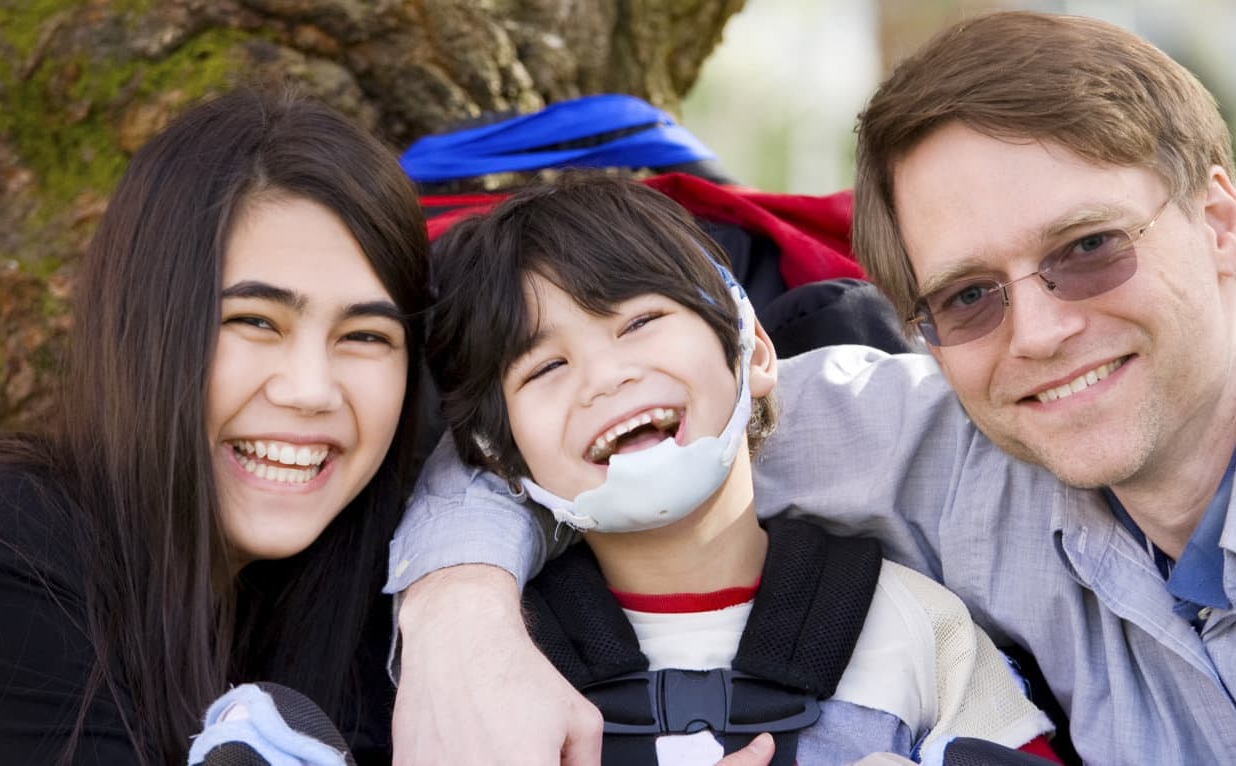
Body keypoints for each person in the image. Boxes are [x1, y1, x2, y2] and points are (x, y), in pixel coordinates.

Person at [383, 11, 1236, 766]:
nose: (1042, 331)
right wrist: (459, 621)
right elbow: (592, 439)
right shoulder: (949, 441)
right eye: (968, 297)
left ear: (1217, 217)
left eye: (1088, 248)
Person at [0, 87, 433, 765]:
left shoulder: (339, 574)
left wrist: (470, 597)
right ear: (143, 331)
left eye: (367, 335)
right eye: (253, 321)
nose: (311, 390)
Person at [421, 174, 1055, 765]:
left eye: (640, 322)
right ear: (497, 454)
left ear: (751, 349)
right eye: (545, 368)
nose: (605, 378)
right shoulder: (494, 663)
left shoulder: (914, 623)